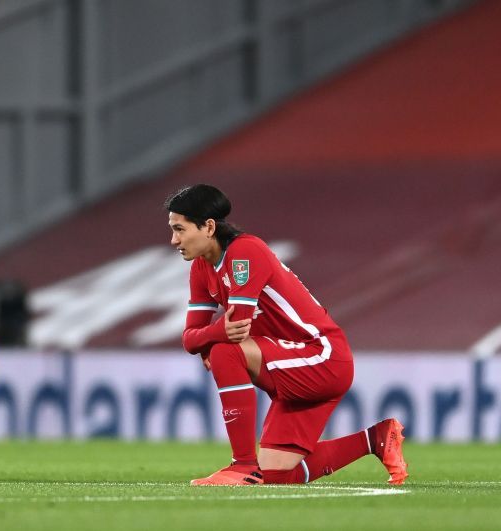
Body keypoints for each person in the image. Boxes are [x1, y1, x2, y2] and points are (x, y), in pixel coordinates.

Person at [165, 184, 408, 486]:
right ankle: (376, 439)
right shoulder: (201, 270)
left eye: (179, 229)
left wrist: (210, 338)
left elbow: (236, 327)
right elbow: (189, 338)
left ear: (209, 227)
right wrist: (213, 333)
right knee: (278, 475)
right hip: (291, 360)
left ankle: (242, 465)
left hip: (322, 356)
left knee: (225, 352)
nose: (174, 240)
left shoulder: (244, 252)